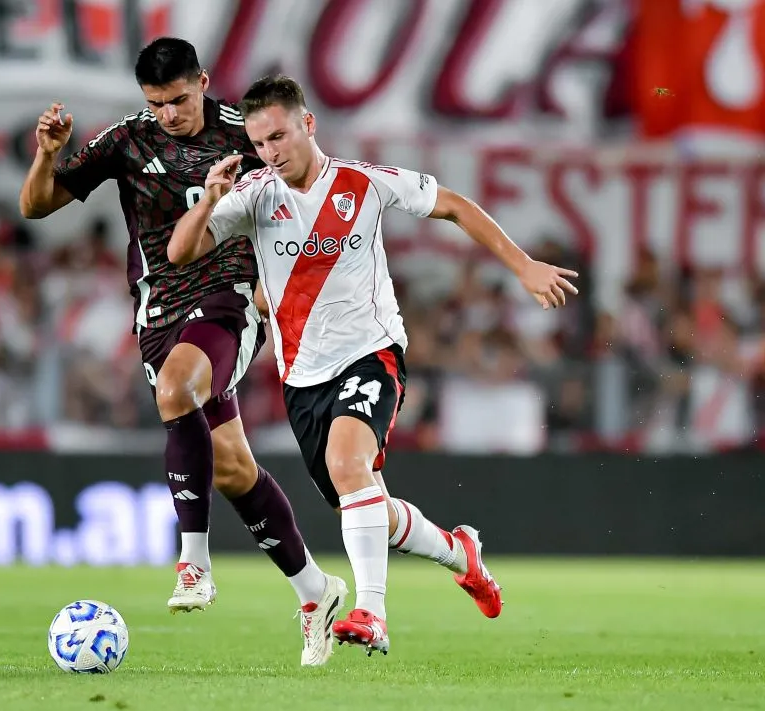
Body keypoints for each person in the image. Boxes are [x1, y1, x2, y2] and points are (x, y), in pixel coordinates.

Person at [169, 75, 580, 656]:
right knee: (366, 502)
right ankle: (460, 552)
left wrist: (522, 266)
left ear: (308, 124)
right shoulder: (255, 195)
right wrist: (210, 198)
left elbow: (455, 207)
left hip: (372, 353)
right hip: (301, 377)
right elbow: (179, 251)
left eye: (280, 136)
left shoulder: (364, 183)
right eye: (259, 143)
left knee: (346, 463)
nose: (271, 152)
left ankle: (371, 611)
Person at [19, 41, 345, 666]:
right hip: (157, 311)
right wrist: (47, 155)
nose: (168, 114)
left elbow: (309, 196)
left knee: (176, 391)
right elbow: (35, 206)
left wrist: (272, 281)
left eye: (178, 100)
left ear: (202, 82)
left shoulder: (247, 134)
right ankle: (315, 592)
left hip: (229, 299)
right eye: (156, 104)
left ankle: (193, 563)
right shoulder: (126, 141)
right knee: (231, 471)